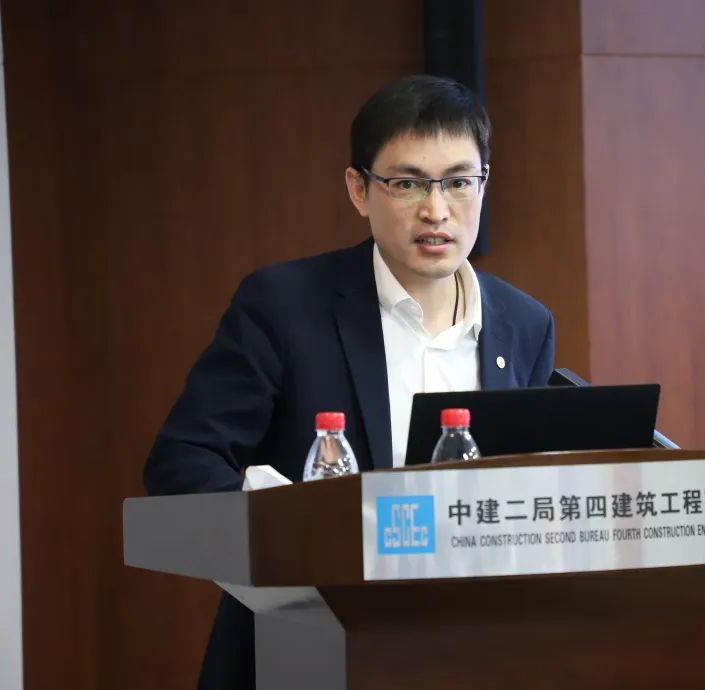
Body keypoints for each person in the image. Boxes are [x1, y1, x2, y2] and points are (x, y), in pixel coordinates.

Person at [143, 74, 556, 689]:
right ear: (359, 189)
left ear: (483, 184)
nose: (436, 209)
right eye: (407, 183)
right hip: (307, 648)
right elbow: (183, 461)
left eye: (458, 182)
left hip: (475, 652)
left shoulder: (525, 324)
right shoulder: (283, 306)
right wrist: (289, 531)